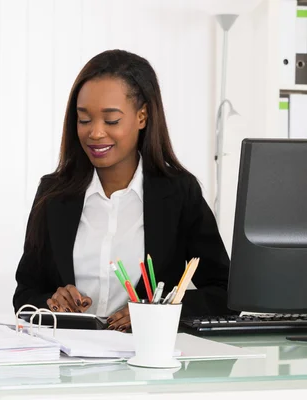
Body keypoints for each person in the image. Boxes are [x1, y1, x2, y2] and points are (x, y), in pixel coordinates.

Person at [13, 49, 231, 331]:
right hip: (67, 365)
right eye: (84, 119)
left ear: (142, 116)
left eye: (111, 120)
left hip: (146, 363)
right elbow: (25, 296)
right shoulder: (53, 194)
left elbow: (224, 292)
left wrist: (160, 312)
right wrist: (52, 303)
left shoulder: (178, 194)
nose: (95, 133)